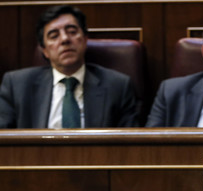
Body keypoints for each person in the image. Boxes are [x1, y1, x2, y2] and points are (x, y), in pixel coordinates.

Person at [0, 5, 138, 129]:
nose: (65, 39)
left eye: (72, 32)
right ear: (45, 51)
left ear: (84, 39)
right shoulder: (17, 86)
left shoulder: (118, 86)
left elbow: (129, 146)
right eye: (54, 36)